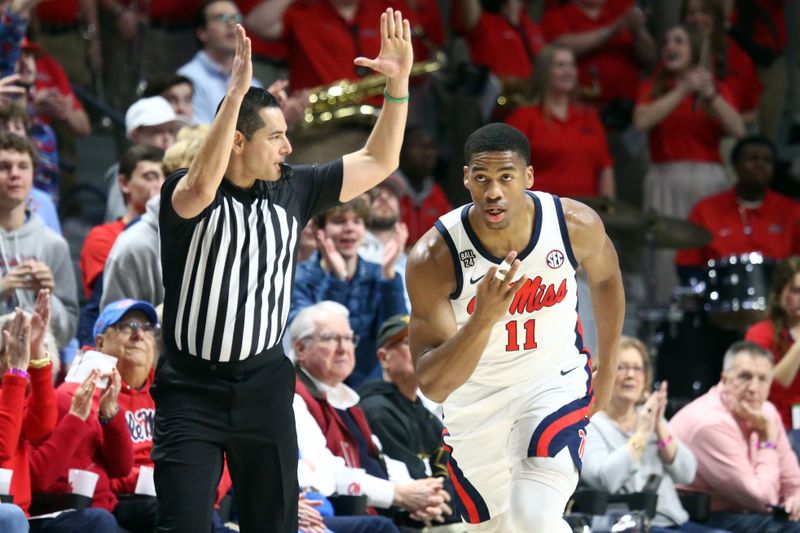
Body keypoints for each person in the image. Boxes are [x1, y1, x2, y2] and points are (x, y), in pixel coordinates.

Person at [153, 10, 414, 532]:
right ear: (238, 142)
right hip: (190, 388)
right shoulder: (185, 190)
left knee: (274, 525)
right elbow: (204, 185)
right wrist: (235, 95)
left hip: (266, 386)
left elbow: (379, 161)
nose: (288, 147)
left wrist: (398, 87)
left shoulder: (294, 187)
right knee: (183, 525)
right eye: (275, 136)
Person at [406, 122, 625, 532]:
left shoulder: (574, 224)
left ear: (528, 177)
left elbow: (607, 279)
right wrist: (483, 318)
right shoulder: (434, 257)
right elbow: (433, 385)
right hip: (475, 405)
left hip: (552, 384)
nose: (494, 192)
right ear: (466, 178)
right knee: (503, 528)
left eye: (506, 177)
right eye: (483, 178)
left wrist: (608, 368)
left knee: (533, 517)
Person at [289, 301, 450, 528]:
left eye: (347, 338)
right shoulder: (293, 397)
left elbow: (382, 463)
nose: (343, 348)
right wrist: (400, 494)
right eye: (329, 339)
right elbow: (326, 474)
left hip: (374, 511)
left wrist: (418, 495)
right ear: (301, 349)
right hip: (327, 513)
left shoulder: (350, 401)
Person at [634, 23, 745, 304]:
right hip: (665, 177)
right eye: (667, 41)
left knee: (709, 249)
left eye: (679, 41)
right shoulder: (653, 86)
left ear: (695, 48)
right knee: (665, 257)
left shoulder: (715, 87)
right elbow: (642, 120)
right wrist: (683, 90)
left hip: (709, 177)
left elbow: (739, 131)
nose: (670, 46)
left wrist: (711, 95)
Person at [581, 336, 730, 533]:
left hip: (674, 521)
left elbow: (687, 474)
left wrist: (659, 427)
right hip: (628, 526)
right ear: (604, 374)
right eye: (621, 367)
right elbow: (606, 480)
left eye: (637, 368)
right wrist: (641, 435)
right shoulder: (590, 425)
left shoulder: (649, 418)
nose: (630, 375)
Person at [670, 341, 800, 533]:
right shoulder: (709, 423)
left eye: (763, 379)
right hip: (699, 519)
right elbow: (762, 500)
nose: (754, 388)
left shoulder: (766, 411)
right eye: (745, 377)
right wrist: (767, 441)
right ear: (724, 379)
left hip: (745, 509)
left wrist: (796, 499)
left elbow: (793, 481)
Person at [290, 195, 408, 387]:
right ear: (320, 231)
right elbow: (310, 334)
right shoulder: (300, 278)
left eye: (357, 221)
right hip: (318, 387)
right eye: (339, 221)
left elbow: (397, 335)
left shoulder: (378, 274)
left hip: (371, 390)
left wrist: (388, 275)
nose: (350, 228)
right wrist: (338, 280)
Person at [78, 145, 165, 346]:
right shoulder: (103, 236)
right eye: (150, 177)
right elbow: (112, 304)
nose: (159, 184)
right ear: (124, 183)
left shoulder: (173, 234)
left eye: (163, 177)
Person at [676, 135, 800, 277]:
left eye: (767, 160)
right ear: (736, 166)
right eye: (752, 159)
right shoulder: (705, 210)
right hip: (721, 292)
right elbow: (687, 263)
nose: (760, 164)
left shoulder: (792, 210)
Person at [0, 132, 78, 351]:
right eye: (4, 167)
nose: (14, 174)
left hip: (37, 371)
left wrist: (46, 295)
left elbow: (66, 332)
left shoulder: (54, 244)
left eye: (23, 166)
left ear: (33, 173)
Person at [505, 44, 615, 199]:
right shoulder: (525, 116)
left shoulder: (589, 116)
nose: (568, 71)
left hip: (585, 212)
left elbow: (605, 167)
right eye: (560, 65)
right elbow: (507, 168)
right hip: (540, 210)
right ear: (544, 72)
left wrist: (608, 210)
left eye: (571, 65)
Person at [358, 314, 450, 482]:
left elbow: (450, 472)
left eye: (426, 344)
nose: (421, 350)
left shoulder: (425, 415)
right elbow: (414, 482)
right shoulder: (377, 411)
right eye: (409, 343)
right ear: (383, 358)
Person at [178, 0, 264, 125]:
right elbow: (195, 137)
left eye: (236, 18)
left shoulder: (253, 83)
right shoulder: (187, 79)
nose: (232, 23)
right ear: (202, 33)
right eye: (221, 18)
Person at [745, 256, 800, 429]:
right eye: (796, 291)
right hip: (779, 426)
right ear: (778, 292)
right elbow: (773, 384)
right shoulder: (760, 333)